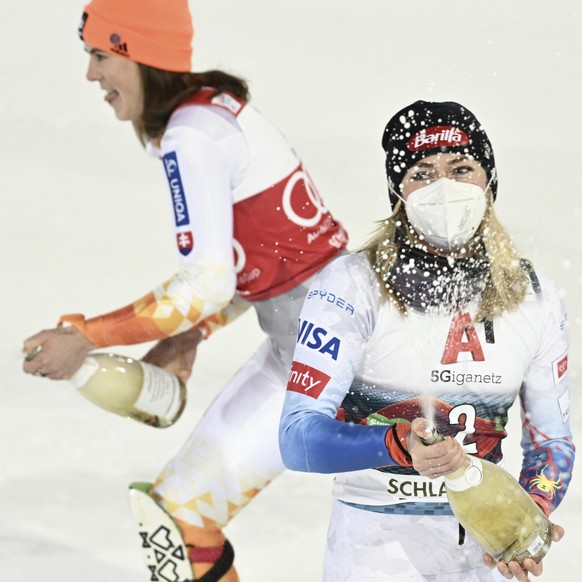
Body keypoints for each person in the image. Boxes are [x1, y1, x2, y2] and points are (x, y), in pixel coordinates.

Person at [21, 1, 348, 580]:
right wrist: (189, 336)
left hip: (333, 361)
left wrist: (85, 336)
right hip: (316, 347)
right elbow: (278, 260)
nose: (91, 75)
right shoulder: (211, 114)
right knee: (180, 515)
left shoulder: (192, 137)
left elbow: (206, 282)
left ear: (140, 54)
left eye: (100, 55)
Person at [279, 100, 574, 581]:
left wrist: (527, 511)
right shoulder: (352, 284)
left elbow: (552, 441)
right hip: (373, 550)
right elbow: (297, 438)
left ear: (489, 184)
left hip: (482, 549)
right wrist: (396, 444)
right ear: (398, 191)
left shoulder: (536, 296)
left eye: (462, 168)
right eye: (422, 172)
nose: (445, 188)